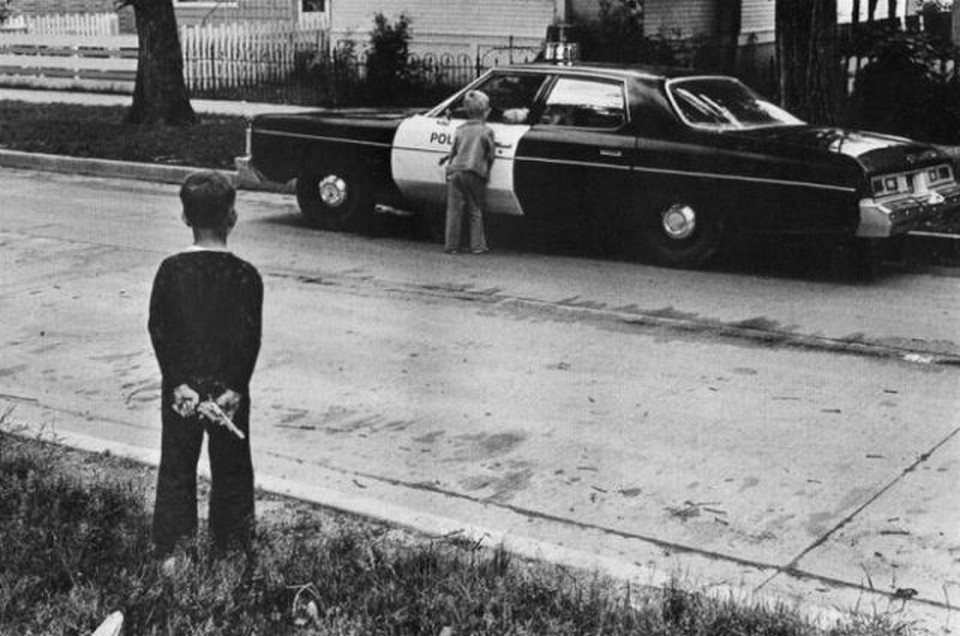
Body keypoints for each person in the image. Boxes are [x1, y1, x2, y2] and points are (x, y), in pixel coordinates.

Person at [148, 171, 263, 562]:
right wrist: (235, 386)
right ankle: (232, 550)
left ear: (185, 217)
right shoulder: (246, 275)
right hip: (228, 391)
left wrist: (177, 381)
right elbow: (249, 337)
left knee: (177, 466)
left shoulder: (171, 270)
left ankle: (173, 554)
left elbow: (160, 330)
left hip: (182, 389)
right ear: (232, 217)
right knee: (233, 470)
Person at [440, 89, 496, 254]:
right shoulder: (486, 131)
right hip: (473, 172)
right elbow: (490, 155)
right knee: (475, 209)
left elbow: (453, 152)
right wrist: (487, 170)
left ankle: (451, 246)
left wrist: (448, 167)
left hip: (455, 171)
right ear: (486, 112)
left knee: (454, 210)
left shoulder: (460, 129)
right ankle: (477, 246)